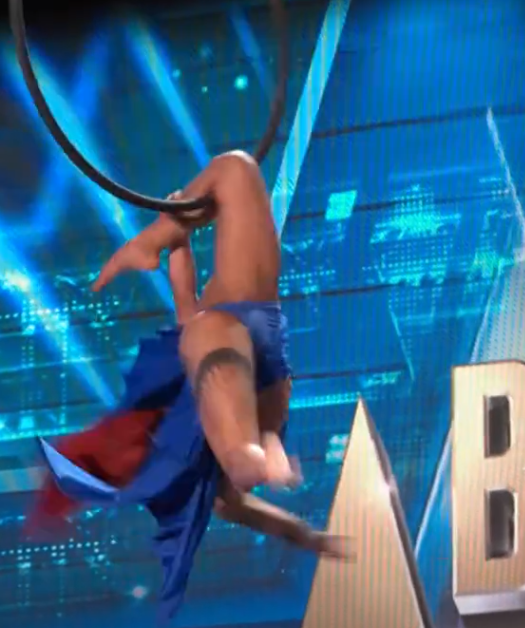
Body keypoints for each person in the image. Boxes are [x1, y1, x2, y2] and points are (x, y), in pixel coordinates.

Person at [33, 219, 354, 622]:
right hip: (216, 394)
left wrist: (178, 234)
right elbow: (186, 300)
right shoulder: (213, 467)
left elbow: (186, 300)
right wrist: (308, 537)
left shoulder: (192, 440)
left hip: (203, 394)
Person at [92, 151, 298, 492]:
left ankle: (149, 241)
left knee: (235, 169)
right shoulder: (204, 350)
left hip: (234, 326)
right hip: (254, 355)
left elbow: (183, 290)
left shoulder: (197, 334)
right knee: (233, 171)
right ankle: (249, 456)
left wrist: (175, 229)